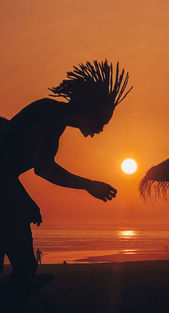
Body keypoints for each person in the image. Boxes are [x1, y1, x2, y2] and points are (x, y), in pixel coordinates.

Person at [0, 59, 132, 312]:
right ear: (89, 110)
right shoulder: (49, 116)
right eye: (101, 122)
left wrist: (25, 201)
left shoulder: (51, 116)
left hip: (6, 193)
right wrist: (89, 185)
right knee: (25, 267)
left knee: (24, 266)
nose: (100, 130)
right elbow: (44, 169)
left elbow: (7, 167)